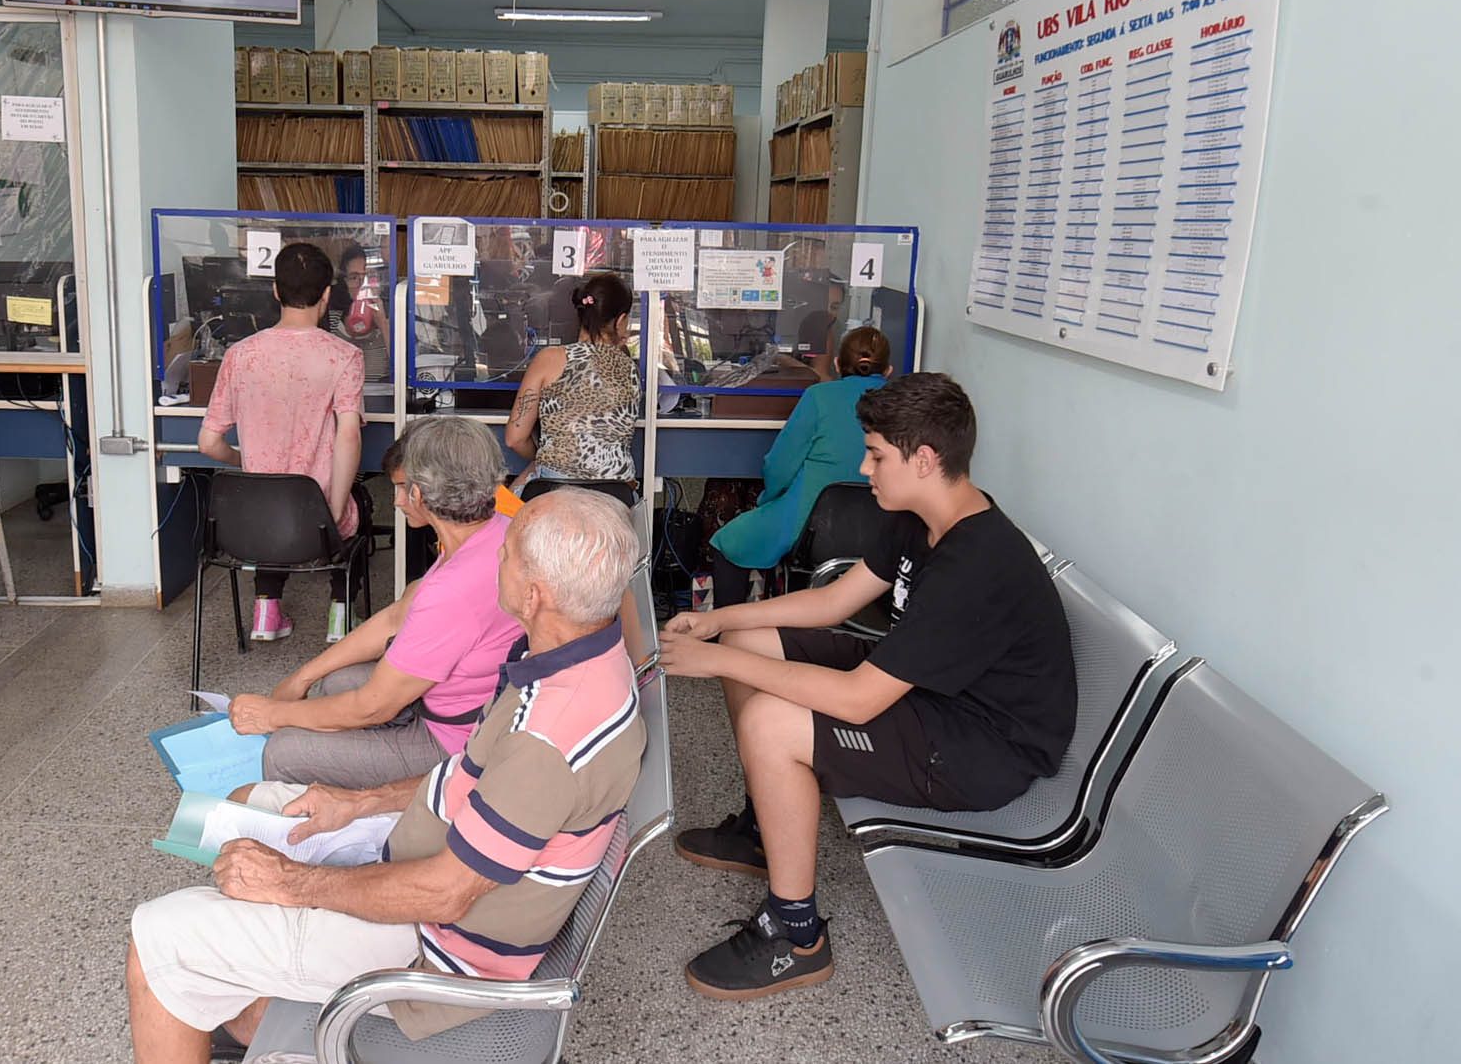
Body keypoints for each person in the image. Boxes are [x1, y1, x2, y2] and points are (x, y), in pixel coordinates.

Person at [126, 489, 645, 1062]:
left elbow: (446, 892)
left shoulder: (548, 736)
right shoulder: (587, 656)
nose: (496, 552)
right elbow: (472, 783)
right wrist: (361, 802)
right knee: (257, 801)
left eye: (509, 551)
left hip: (429, 950)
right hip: (421, 869)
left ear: (534, 595)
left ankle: (217, 982)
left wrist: (293, 883)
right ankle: (246, 1006)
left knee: (158, 939)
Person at [658, 372, 1075, 1000]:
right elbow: (833, 601)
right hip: (930, 691)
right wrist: (720, 623)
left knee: (771, 720)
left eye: (877, 453)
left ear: (925, 459)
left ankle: (796, 935)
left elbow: (859, 699)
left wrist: (715, 662)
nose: (863, 466)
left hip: (980, 748)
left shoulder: (977, 563)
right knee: (748, 643)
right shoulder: (920, 516)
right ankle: (765, 828)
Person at [230, 417, 525, 790]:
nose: (397, 500)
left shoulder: (452, 590)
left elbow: (374, 706)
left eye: (402, 489)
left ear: (419, 494)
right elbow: (396, 618)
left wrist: (274, 715)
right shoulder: (496, 530)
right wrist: (303, 676)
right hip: (478, 706)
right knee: (338, 680)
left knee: (283, 751)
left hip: (458, 742)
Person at [199, 242, 364, 643]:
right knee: (363, 506)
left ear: (275, 290)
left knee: (273, 503)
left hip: (250, 524)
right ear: (327, 295)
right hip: (317, 520)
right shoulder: (344, 356)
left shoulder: (240, 355)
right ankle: (340, 617)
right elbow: (349, 436)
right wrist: (337, 507)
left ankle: (266, 615)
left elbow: (207, 443)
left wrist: (246, 461)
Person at [702, 327, 894, 608]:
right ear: (888, 371)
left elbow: (779, 467)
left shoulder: (819, 396)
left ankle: (722, 633)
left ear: (837, 364)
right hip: (884, 529)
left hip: (808, 524)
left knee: (727, 542)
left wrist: (768, 501)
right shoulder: (904, 402)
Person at [504, 271, 637, 492]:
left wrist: (549, 455)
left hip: (556, 488)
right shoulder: (629, 368)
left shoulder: (549, 359)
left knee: (504, 510)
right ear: (621, 320)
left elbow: (514, 439)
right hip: (617, 491)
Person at [325, 244, 390, 382]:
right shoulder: (332, 319)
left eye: (368, 277)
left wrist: (383, 324)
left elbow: (403, 370)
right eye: (354, 277)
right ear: (345, 282)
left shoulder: (392, 317)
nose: (362, 285)